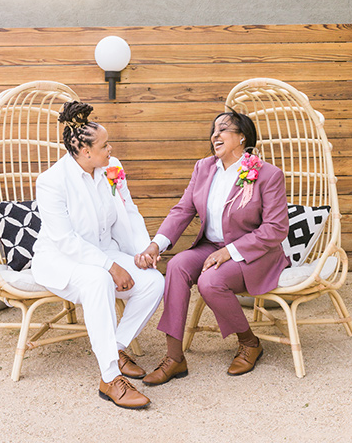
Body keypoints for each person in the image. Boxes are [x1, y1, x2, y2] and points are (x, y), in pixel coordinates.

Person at [135, 110, 290, 384]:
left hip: (254, 254)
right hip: (211, 246)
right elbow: (183, 210)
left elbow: (276, 228)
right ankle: (174, 358)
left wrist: (229, 252)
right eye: (214, 130)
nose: (215, 135)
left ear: (243, 137)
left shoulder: (268, 174)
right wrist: (155, 245)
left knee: (210, 281)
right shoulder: (203, 168)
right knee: (177, 265)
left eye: (224, 129)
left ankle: (249, 342)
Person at [31, 101, 164, 409]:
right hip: (62, 260)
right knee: (98, 280)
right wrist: (110, 266)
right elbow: (64, 239)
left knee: (154, 282)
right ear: (86, 152)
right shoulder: (51, 181)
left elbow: (128, 212)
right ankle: (110, 377)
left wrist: (141, 251)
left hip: (107, 250)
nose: (110, 149)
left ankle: (114, 347)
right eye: (105, 145)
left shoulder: (111, 167)